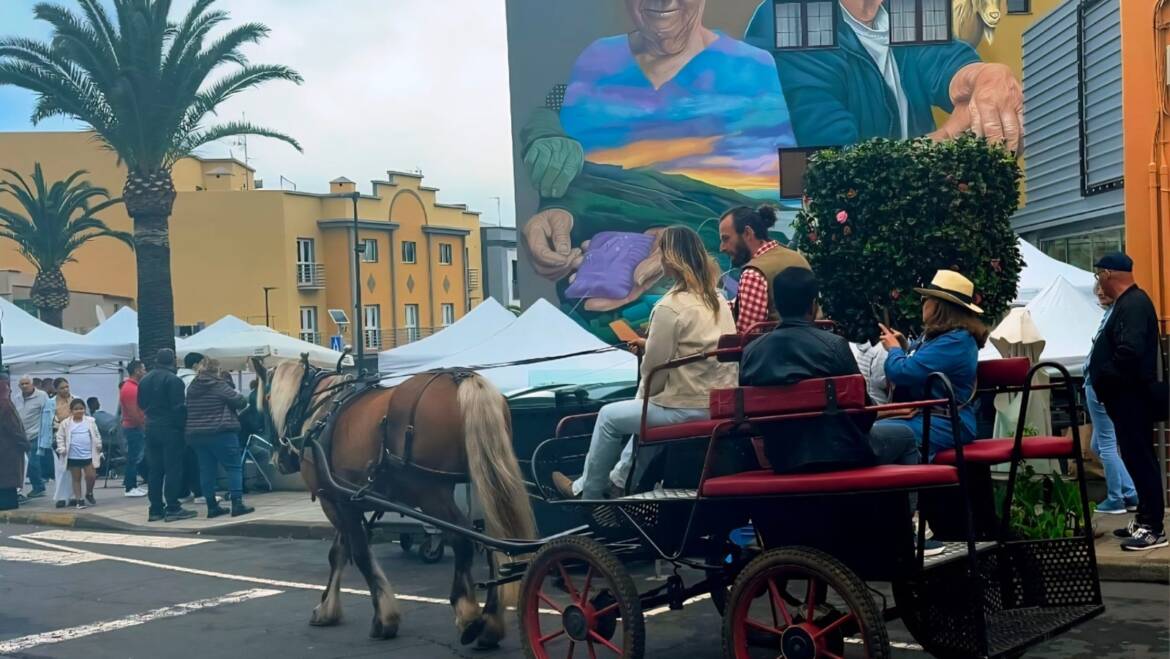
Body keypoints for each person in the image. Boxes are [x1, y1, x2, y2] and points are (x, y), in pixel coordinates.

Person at [521, 0, 797, 314]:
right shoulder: (595, 60)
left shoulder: (754, 69)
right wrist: (558, 215)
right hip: (600, 327)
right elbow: (579, 183)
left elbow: (777, 219)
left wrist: (684, 248)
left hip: (706, 323)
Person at [552, 226, 738, 499]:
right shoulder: (718, 300)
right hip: (718, 404)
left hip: (687, 406)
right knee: (642, 412)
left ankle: (588, 493)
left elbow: (653, 374)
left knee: (609, 417)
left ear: (669, 258)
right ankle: (619, 483)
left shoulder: (668, 307)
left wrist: (647, 365)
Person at [745, 0, 1023, 151]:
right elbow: (831, 159)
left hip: (919, 219)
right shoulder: (791, 13)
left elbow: (943, 60)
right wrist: (948, 135)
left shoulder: (905, 6)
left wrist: (987, 77)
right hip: (838, 230)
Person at [739, 267, 918, 473]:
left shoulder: (751, 352)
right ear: (813, 305)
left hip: (782, 458)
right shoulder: (833, 345)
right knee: (906, 435)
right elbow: (864, 414)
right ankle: (908, 506)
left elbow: (752, 418)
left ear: (777, 304)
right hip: (843, 453)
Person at [1088, 253, 1167, 551]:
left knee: (1141, 459)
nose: (1098, 284)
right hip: (1125, 398)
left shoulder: (1133, 305)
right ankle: (1144, 518)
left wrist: (1105, 376)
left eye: (1098, 276)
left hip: (1133, 398)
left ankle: (1154, 529)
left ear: (1108, 274)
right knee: (1134, 458)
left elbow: (1130, 351)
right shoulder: (1128, 303)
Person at [875, 270, 987, 457]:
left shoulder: (956, 341)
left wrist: (894, 350)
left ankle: (910, 483)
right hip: (930, 417)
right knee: (866, 432)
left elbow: (902, 373)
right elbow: (922, 362)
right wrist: (905, 347)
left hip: (948, 421)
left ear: (938, 306)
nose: (923, 304)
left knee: (874, 435)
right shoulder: (941, 338)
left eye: (925, 299)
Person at [1083, 283, 1138, 516]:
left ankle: (1116, 497)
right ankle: (1130, 492)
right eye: (1098, 289)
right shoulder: (1110, 315)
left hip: (1098, 384)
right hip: (1099, 382)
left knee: (1106, 444)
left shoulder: (1113, 317)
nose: (1100, 292)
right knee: (1099, 444)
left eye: (1104, 288)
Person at [718, 205, 811, 334]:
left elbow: (746, 336)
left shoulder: (753, 273)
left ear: (747, 233)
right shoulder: (796, 257)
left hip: (779, 350)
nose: (721, 248)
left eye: (726, 239)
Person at [186, 358, 254, 518]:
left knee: (206, 470)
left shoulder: (192, 388)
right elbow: (241, 402)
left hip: (197, 435)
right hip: (221, 433)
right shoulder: (219, 385)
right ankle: (237, 504)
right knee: (234, 467)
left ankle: (212, 506)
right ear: (216, 370)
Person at [138, 349, 196, 522]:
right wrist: (182, 427)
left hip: (151, 426)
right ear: (173, 361)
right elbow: (178, 408)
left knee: (155, 469)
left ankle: (155, 508)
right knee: (173, 469)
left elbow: (140, 403)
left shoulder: (145, 379)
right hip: (170, 428)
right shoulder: (173, 380)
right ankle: (172, 506)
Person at [55, 399, 102, 509]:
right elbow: (60, 437)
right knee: (76, 478)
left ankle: (89, 493)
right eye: (76, 409)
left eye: (81, 408)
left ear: (85, 409)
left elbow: (96, 434)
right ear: (71, 411)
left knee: (91, 476)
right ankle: (79, 500)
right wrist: (61, 448)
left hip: (88, 455)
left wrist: (98, 445)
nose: (79, 411)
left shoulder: (90, 421)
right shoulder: (66, 423)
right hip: (73, 455)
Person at [15, 375, 52, 499]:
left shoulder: (42, 396)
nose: (24, 386)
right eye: (22, 384)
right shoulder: (17, 398)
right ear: (19, 386)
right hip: (20, 436)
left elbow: (48, 413)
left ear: (32, 384)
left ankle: (39, 487)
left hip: (35, 434)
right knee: (22, 463)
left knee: (32, 463)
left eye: (27, 383)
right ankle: (22, 489)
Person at [176, 352, 205, 501]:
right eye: (202, 363)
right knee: (196, 459)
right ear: (195, 365)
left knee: (182, 459)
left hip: (177, 425)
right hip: (193, 424)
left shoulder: (176, 378)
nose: (203, 367)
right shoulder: (194, 380)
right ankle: (200, 492)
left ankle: (183, 492)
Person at [0, 375, 30, 511]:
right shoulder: (5, 404)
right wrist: (25, 443)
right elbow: (14, 428)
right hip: (8, 448)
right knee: (8, 479)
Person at [119, 360, 148, 497]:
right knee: (134, 457)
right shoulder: (130, 388)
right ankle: (130, 487)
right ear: (137, 371)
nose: (145, 371)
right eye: (143, 369)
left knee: (135, 456)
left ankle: (131, 485)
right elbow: (133, 412)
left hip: (134, 426)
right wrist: (142, 426)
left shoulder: (132, 387)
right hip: (133, 427)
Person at [49, 377, 79, 509]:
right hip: (58, 438)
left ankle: (74, 495)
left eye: (67, 386)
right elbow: (46, 422)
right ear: (56, 389)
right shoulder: (50, 403)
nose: (65, 389)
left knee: (75, 467)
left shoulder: (76, 399)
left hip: (77, 437)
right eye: (62, 387)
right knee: (61, 468)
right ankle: (61, 497)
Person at [87, 397, 121, 477]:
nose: (99, 404)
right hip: (112, 434)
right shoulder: (94, 418)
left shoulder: (97, 416)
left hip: (110, 433)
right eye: (96, 402)